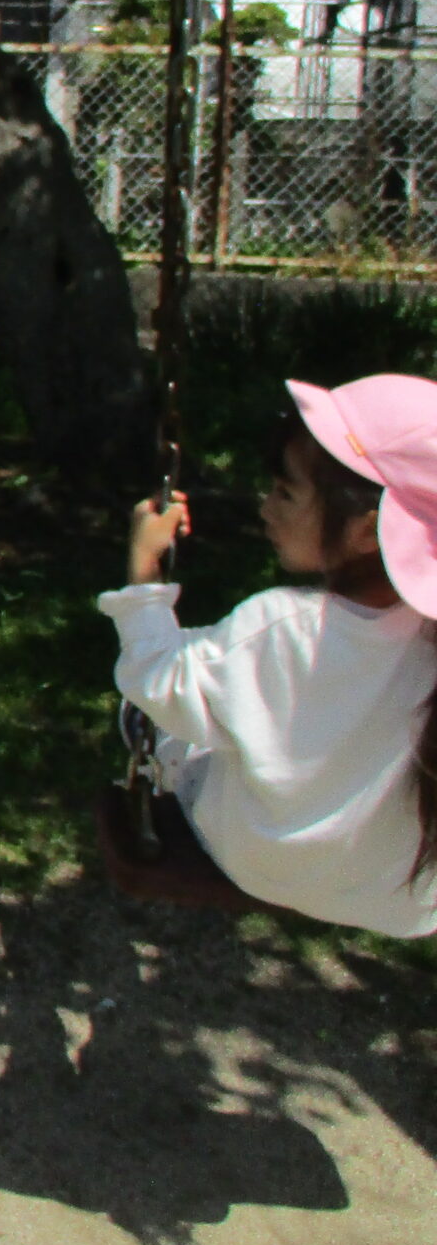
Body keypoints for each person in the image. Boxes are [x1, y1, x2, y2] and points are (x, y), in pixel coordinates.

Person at [108, 378, 437, 937]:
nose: (264, 507)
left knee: (169, 719)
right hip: (405, 901)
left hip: (263, 865)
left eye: (285, 493)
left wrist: (143, 573)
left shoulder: (282, 627)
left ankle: (167, 732)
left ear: (366, 531)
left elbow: (154, 678)